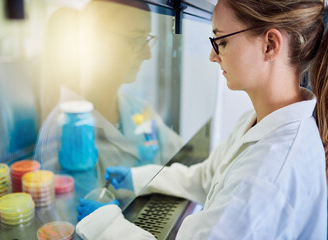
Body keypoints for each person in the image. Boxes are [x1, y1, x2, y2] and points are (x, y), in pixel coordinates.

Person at [76, 0, 328, 239]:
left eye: (221, 41)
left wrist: (105, 225)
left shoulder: (267, 178)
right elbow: (208, 178)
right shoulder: (260, 122)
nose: (212, 55)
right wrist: (139, 178)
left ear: (270, 45)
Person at [36, 0, 183, 176]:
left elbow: (186, 158)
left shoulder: (138, 108)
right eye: (136, 39)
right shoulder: (63, 132)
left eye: (146, 39)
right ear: (94, 41)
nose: (147, 54)